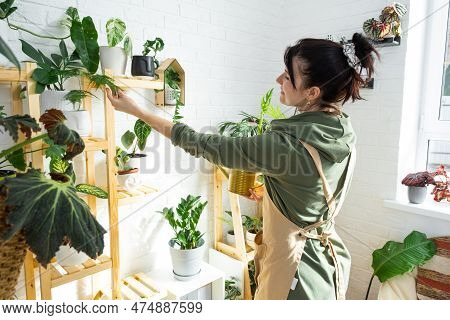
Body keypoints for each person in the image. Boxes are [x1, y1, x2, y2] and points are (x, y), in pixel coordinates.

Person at [106, 32, 379, 300]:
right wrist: (277, 193)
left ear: (312, 92)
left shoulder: (283, 145)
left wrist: (137, 110)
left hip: (296, 279)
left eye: (287, 76)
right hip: (328, 266)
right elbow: (318, 190)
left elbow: (201, 143)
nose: (279, 80)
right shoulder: (343, 130)